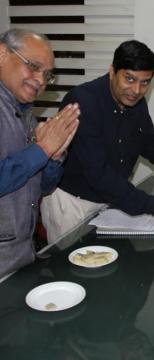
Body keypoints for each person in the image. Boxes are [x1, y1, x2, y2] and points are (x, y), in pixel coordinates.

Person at [41, 40, 154, 243]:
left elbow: (149, 142)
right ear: (112, 71)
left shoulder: (136, 103)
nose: (136, 90)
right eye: (129, 79)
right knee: (72, 270)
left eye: (145, 82)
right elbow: (98, 173)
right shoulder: (82, 102)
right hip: (72, 204)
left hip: (111, 200)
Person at [0, 28, 80, 278]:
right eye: (33, 66)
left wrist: (54, 157)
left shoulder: (25, 113)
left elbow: (42, 187)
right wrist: (42, 149)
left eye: (47, 75)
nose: (41, 80)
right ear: (2, 53)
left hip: (19, 258)